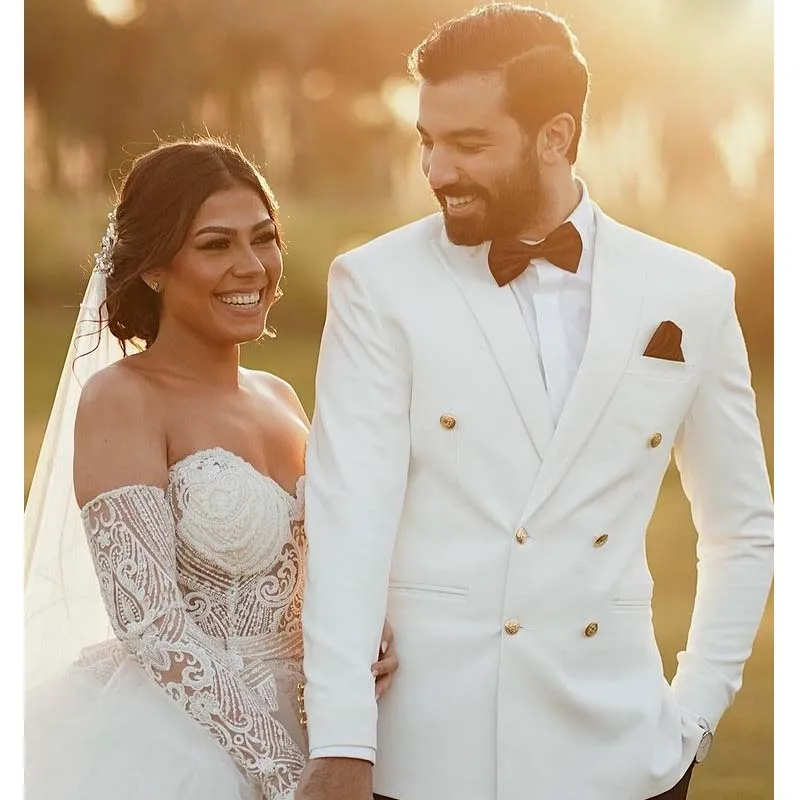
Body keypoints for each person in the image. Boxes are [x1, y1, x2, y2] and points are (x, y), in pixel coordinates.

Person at [296, 5, 774, 800]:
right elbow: (349, 517)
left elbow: (742, 527)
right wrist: (342, 739)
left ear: (555, 136)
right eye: (428, 141)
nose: (438, 170)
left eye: (469, 144)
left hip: (625, 756)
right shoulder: (376, 286)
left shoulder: (692, 294)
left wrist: (694, 715)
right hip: (424, 759)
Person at [23, 138, 397, 800]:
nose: (252, 266)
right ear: (156, 268)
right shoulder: (123, 398)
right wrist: (288, 775)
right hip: (188, 747)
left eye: (264, 239)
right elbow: (151, 623)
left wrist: (370, 626)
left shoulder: (280, 396)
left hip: (332, 731)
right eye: (216, 245)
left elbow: (319, 563)